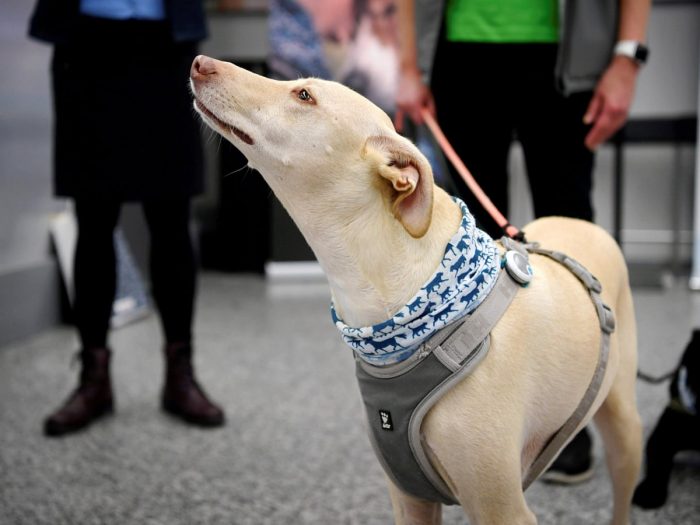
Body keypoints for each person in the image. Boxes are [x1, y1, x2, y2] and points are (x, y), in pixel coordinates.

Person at [394, 0, 651, 483]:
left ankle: (570, 424)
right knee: (474, 248)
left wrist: (626, 57)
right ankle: (487, 417)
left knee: (573, 242)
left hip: (565, 61)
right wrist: (408, 63)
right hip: (462, 53)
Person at [29, 0, 225, 436]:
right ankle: (93, 379)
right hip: (85, 41)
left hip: (166, 42)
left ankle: (180, 376)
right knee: (94, 218)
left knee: (172, 216)